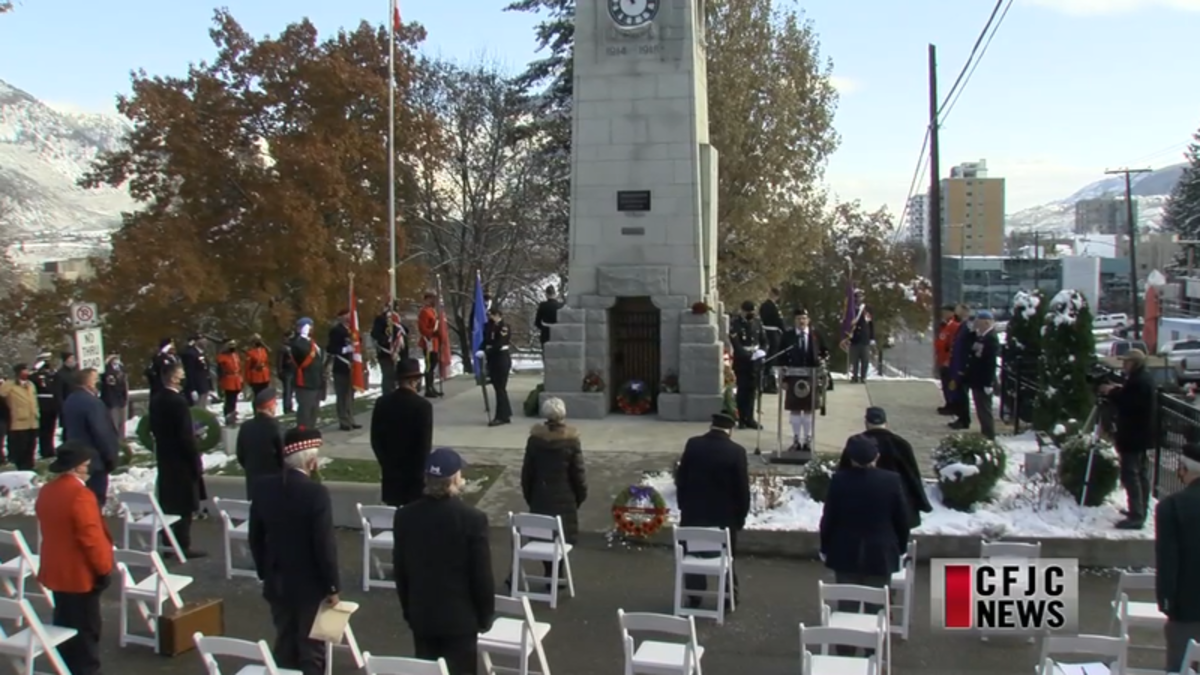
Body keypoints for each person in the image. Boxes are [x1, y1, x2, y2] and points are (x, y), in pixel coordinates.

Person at [393, 448, 495, 675]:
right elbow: (481, 575)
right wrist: (485, 615)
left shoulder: (405, 517)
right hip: (461, 618)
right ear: (455, 479)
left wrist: (409, 611)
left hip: (422, 616)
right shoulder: (472, 519)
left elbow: (400, 571)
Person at [249, 427, 341, 675]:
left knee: (285, 641)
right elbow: (324, 544)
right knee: (311, 647)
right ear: (311, 461)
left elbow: (255, 537)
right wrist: (332, 586)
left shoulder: (263, 488)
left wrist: (264, 572)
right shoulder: (316, 494)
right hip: (310, 584)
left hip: (277, 579)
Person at [820, 435, 910, 655]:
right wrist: (901, 547)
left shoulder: (839, 480)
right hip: (881, 552)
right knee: (876, 608)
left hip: (845, 551)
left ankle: (845, 656)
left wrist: (825, 547)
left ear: (851, 459)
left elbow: (829, 518)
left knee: (847, 607)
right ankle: (874, 655)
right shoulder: (892, 480)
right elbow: (902, 520)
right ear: (876, 457)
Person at [35, 441, 115, 675]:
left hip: (56, 569)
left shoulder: (48, 491)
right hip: (79, 574)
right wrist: (103, 569)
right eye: (86, 466)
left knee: (64, 622)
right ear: (76, 467)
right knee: (86, 629)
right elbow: (90, 538)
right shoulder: (80, 495)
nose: (89, 470)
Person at [674, 413, 750, 608]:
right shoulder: (736, 452)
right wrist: (740, 518)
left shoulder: (693, 445)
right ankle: (728, 596)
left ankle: (694, 594)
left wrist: (683, 506)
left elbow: (681, 480)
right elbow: (742, 490)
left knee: (693, 553)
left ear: (712, 426)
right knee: (726, 557)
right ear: (730, 430)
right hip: (724, 520)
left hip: (693, 516)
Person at [520, 397, 587, 583]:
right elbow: (578, 474)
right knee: (562, 537)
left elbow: (527, 473)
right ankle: (557, 573)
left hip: (540, 496)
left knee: (543, 536)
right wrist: (579, 497)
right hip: (565, 497)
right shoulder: (571, 442)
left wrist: (530, 496)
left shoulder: (535, 441)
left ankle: (549, 571)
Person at [149, 363, 207, 558]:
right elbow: (184, 435)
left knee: (168, 502)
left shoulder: (156, 399)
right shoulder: (178, 402)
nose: (184, 377)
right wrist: (194, 459)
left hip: (165, 456)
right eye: (180, 374)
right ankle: (182, 544)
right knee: (184, 504)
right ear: (173, 378)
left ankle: (167, 541)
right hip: (181, 459)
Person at [839, 407, 932, 527]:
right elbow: (912, 476)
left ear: (866, 422)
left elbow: (843, 473)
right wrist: (921, 503)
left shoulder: (857, 443)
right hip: (896, 506)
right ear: (886, 423)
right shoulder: (901, 444)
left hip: (862, 506)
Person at [1154, 443, 1200, 673]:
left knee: (1180, 666)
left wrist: (1166, 602)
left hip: (1186, 608)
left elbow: (1168, 561)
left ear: (1184, 468)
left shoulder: (1170, 508)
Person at [1100, 348, 1157, 529]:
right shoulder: (1141, 379)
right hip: (1141, 434)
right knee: (1140, 473)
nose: (1123, 366)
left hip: (1133, 435)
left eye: (1126, 362)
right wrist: (1118, 390)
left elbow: (1130, 404)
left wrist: (1111, 392)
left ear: (1134, 363)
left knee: (1131, 474)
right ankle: (1139, 508)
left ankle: (1137, 515)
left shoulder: (1139, 382)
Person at [370, 358, 434, 506]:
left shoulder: (382, 403)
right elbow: (424, 445)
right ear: (415, 381)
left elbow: (376, 440)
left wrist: (385, 463)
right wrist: (421, 473)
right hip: (414, 478)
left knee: (394, 516)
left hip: (390, 473)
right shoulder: (422, 406)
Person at [61, 368, 120, 507]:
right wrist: (111, 457)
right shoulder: (93, 403)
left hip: (76, 458)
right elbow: (102, 432)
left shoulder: (70, 400)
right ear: (88, 383)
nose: (98, 382)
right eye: (95, 379)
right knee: (95, 501)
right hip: (94, 460)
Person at [778, 308, 829, 453]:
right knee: (794, 410)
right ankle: (795, 440)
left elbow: (825, 352)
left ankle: (807, 440)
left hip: (810, 377)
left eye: (804, 318)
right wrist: (783, 379)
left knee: (808, 410)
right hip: (792, 377)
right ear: (795, 320)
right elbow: (781, 358)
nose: (802, 321)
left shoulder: (815, 335)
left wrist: (822, 368)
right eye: (799, 318)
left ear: (808, 320)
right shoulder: (788, 336)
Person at [236, 387, 284, 502]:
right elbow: (283, 457)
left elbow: (241, 455)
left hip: (253, 483)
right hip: (274, 483)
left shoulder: (245, 427)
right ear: (271, 406)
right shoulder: (276, 427)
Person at [963, 310, 1000, 440]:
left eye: (979, 322)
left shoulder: (991, 338)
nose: (976, 324)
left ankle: (989, 435)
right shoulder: (982, 336)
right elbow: (973, 353)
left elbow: (990, 364)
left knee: (985, 410)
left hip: (983, 380)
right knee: (980, 409)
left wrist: (988, 383)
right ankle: (985, 432)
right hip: (977, 379)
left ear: (986, 322)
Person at [729, 301, 766, 429]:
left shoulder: (757, 323)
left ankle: (750, 418)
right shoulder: (736, 324)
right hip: (742, 361)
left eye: (752, 312)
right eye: (748, 312)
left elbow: (764, 340)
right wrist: (747, 355)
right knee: (742, 390)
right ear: (742, 311)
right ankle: (742, 418)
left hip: (756, 361)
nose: (750, 314)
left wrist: (762, 351)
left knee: (752, 390)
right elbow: (736, 344)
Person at [478, 307, 513, 427]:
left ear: (498, 315)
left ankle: (500, 416)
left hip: (501, 359)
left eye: (492, 315)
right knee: (498, 388)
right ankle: (506, 414)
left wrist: (486, 352)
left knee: (500, 388)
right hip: (492, 360)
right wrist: (481, 349)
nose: (490, 317)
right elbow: (486, 341)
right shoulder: (489, 326)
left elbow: (499, 343)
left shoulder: (504, 327)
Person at [0, 364, 39, 470]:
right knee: (20, 447)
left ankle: (30, 466)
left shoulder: (31, 385)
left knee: (31, 446)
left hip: (32, 421)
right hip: (18, 422)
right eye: (23, 371)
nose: (26, 373)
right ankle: (20, 467)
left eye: (27, 370)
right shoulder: (9, 385)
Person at [290, 318, 326, 429]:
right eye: (309, 326)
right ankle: (302, 434)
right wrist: (302, 336)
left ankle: (310, 433)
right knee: (305, 411)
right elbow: (300, 351)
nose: (311, 329)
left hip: (316, 381)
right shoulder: (297, 342)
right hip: (305, 382)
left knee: (313, 411)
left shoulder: (312, 342)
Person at [327, 310, 360, 431]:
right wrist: (345, 349)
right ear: (340, 317)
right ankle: (343, 420)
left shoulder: (353, 330)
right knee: (342, 394)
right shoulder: (336, 331)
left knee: (350, 395)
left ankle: (351, 418)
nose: (348, 317)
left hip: (352, 366)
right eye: (346, 315)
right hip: (341, 366)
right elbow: (330, 348)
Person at [946, 310, 975, 430]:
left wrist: (962, 368)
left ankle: (964, 419)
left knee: (962, 394)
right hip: (956, 364)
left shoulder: (968, 328)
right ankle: (961, 417)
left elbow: (966, 350)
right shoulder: (962, 326)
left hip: (962, 367)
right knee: (958, 393)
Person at [371, 302, 407, 394]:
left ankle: (394, 394)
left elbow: (405, 331)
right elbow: (375, 334)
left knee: (394, 375)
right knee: (388, 375)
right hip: (385, 352)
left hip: (396, 352)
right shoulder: (380, 319)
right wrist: (386, 339)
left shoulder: (395, 320)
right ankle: (387, 396)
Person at [32, 351, 59, 459]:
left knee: (51, 429)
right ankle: (45, 450)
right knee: (44, 429)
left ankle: (50, 448)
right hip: (43, 405)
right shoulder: (37, 375)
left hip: (52, 404)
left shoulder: (52, 374)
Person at [935, 305, 962, 415]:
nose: (944, 314)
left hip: (948, 360)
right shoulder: (945, 325)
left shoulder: (954, 325)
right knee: (945, 383)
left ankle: (952, 405)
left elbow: (952, 344)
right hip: (942, 358)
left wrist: (948, 359)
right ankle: (948, 403)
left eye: (946, 312)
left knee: (949, 384)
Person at [417, 293, 444, 398]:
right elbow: (422, 328)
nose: (432, 301)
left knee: (433, 365)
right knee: (429, 365)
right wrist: (432, 333)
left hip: (435, 342)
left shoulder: (433, 311)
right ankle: (428, 389)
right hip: (428, 342)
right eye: (430, 299)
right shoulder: (424, 312)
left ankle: (431, 386)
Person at [759, 288, 785, 394]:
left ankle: (769, 374)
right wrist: (783, 330)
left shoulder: (766, 306)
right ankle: (768, 375)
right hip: (772, 332)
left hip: (770, 331)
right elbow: (777, 320)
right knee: (772, 354)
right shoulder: (770, 306)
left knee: (771, 353)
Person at [847, 289, 875, 383]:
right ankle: (854, 376)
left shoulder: (867, 308)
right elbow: (847, 322)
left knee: (865, 359)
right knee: (854, 360)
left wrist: (872, 337)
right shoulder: (851, 309)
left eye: (861, 296)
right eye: (857, 297)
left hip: (864, 337)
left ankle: (863, 377)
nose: (859, 299)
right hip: (854, 337)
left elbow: (871, 323)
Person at [100, 354, 129, 441]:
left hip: (121, 400)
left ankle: (121, 440)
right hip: (112, 401)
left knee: (122, 423)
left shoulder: (121, 370)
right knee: (114, 423)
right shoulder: (107, 371)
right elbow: (110, 384)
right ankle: (115, 441)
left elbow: (124, 384)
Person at [216, 340, 244, 426]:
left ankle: (232, 415)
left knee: (234, 399)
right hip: (228, 380)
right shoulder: (222, 357)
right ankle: (228, 415)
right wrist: (220, 382)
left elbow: (238, 366)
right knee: (229, 400)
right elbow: (220, 371)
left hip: (236, 379)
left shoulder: (235, 355)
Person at [180, 335, 212, 407]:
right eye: (202, 340)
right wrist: (192, 388)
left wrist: (210, 386)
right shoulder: (190, 353)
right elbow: (189, 372)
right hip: (196, 386)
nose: (205, 342)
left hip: (203, 385)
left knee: (203, 408)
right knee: (197, 408)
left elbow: (206, 370)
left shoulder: (201, 353)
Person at [534, 285, 562, 351]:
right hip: (558, 335)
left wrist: (544, 328)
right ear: (555, 294)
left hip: (546, 335)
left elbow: (537, 322)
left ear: (546, 294)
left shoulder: (543, 305)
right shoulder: (561, 306)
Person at [278, 330, 298, 415]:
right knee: (287, 390)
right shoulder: (283, 348)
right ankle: (286, 408)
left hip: (293, 370)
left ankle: (290, 406)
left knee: (291, 390)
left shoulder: (292, 348)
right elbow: (279, 361)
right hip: (286, 371)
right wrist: (280, 371)